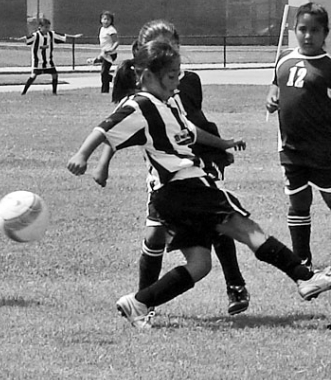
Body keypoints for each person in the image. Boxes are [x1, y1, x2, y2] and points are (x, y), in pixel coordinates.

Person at [67, 39, 331, 329]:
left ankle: (139, 302)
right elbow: (103, 128)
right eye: (171, 75)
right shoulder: (140, 104)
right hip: (187, 186)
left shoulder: (166, 104)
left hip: (172, 198)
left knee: (200, 264)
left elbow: (191, 133)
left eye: (178, 74)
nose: (176, 81)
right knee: (246, 229)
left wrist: (224, 143)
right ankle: (304, 278)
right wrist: (82, 155)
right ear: (147, 77)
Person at [99, 20, 249, 316]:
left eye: (173, 47)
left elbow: (194, 122)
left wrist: (219, 146)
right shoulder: (139, 89)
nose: (169, 54)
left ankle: (235, 286)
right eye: (161, 48)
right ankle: (146, 302)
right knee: (154, 235)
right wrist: (103, 162)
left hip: (200, 164)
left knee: (217, 221)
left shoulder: (189, 80)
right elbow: (117, 127)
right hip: (165, 169)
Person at [265, 2, 331, 270]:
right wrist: (271, 97)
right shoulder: (285, 60)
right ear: (294, 29)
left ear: (325, 33)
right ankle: (302, 262)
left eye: (315, 30)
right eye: (302, 29)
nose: (307, 35)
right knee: (298, 201)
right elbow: (275, 85)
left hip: (323, 150)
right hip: (290, 149)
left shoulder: (328, 66)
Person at [19, 18, 82, 95]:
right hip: (38, 61)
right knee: (33, 75)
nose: (47, 29)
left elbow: (63, 36)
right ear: (40, 27)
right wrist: (17, 39)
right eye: (45, 27)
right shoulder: (36, 36)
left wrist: (74, 36)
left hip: (48, 61)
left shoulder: (51, 34)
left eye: (48, 27)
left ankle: (54, 92)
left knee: (55, 74)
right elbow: (26, 39)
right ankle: (24, 92)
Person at [89, 11, 119, 94]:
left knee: (104, 72)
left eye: (108, 19)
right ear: (101, 20)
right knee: (104, 73)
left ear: (111, 21)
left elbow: (116, 42)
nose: (106, 21)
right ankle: (117, 80)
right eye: (104, 19)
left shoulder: (111, 30)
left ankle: (105, 91)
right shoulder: (102, 29)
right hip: (104, 53)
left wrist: (111, 49)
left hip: (110, 54)